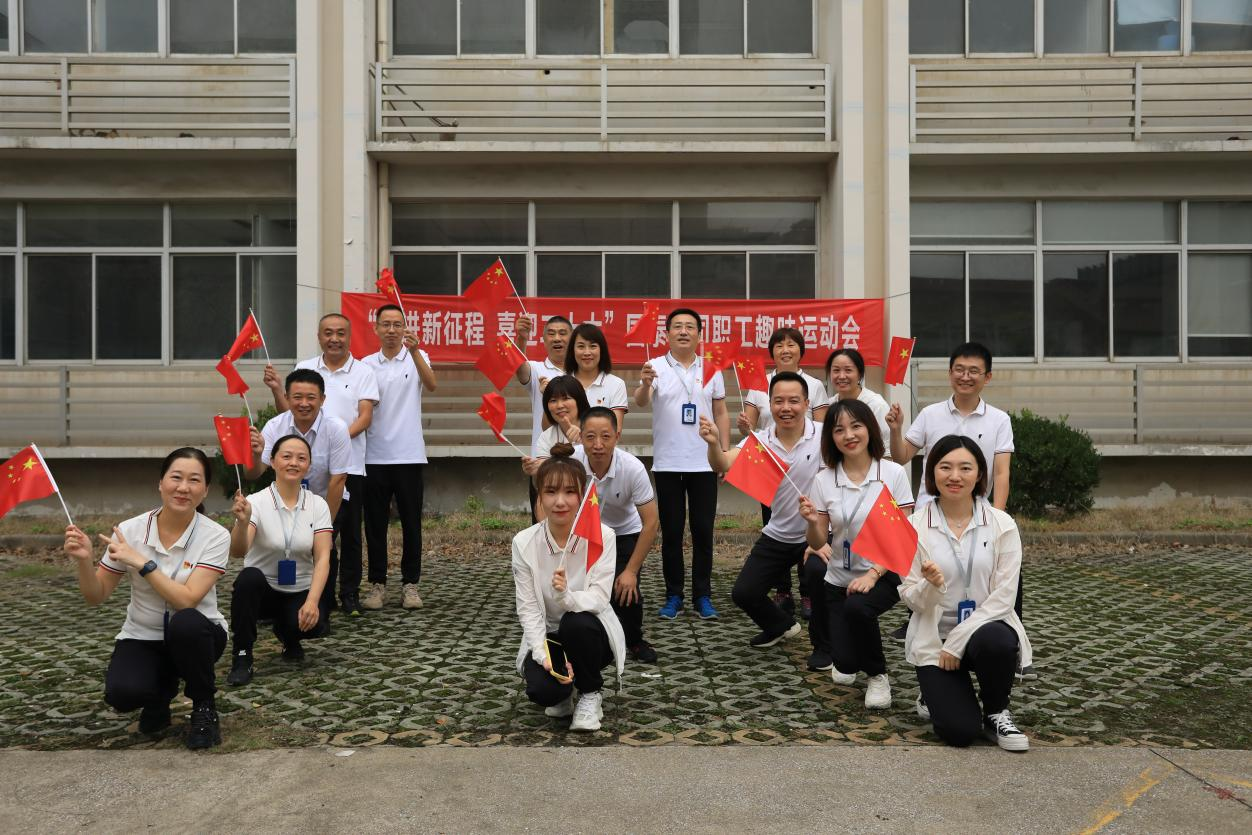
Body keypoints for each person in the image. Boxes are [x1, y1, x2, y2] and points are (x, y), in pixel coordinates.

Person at [63, 448, 230, 749]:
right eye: (176, 477)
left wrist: (143, 564)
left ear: (205, 490)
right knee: (122, 694)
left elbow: (187, 600)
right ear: (160, 483)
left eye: (194, 480)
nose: (183, 487)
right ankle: (159, 696)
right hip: (143, 635)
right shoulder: (130, 531)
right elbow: (96, 595)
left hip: (199, 635)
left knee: (187, 623)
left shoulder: (216, 536)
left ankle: (204, 705)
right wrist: (84, 561)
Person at [886, 342, 1024, 661]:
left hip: (977, 514)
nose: (965, 376)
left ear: (987, 377)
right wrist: (895, 429)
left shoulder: (999, 420)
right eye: (959, 370)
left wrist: (998, 518)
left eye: (974, 371)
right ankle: (926, 641)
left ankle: (1010, 643)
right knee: (928, 575)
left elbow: (1001, 472)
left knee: (1004, 578)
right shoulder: (930, 414)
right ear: (950, 373)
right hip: (931, 514)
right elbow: (901, 456)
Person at [898, 435, 1032, 751]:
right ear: (932, 473)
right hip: (936, 642)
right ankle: (937, 693)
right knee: (959, 732)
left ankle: (996, 711)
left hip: (983, 631)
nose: (955, 476)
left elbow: (1005, 597)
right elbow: (910, 599)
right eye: (945, 467)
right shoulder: (914, 526)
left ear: (980, 474)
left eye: (965, 468)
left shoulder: (1001, 524)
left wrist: (958, 640)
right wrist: (930, 585)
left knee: (998, 640)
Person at [798, 398, 914, 709]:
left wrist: (873, 574)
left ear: (870, 429)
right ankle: (851, 659)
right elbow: (818, 539)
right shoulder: (824, 479)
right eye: (839, 429)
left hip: (885, 572)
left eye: (856, 426)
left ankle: (877, 675)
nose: (848, 435)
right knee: (845, 665)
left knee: (859, 609)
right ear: (831, 437)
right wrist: (812, 522)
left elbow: (902, 535)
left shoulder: (892, 473)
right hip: (839, 578)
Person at [264, 313, 378, 617]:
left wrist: (333, 439)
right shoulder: (305, 367)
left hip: (347, 466)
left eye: (340, 333)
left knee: (349, 534)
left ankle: (349, 593)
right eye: (328, 333)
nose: (334, 339)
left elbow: (365, 417)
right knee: (305, 535)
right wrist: (276, 389)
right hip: (303, 468)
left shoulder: (363, 371)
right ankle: (313, 594)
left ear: (349, 336)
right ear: (319, 336)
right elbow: (289, 411)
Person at [700, 372, 822, 648]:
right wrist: (713, 443)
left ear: (806, 403)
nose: (786, 408)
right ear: (770, 404)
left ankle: (825, 645)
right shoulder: (760, 440)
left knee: (824, 590)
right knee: (744, 593)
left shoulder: (824, 435)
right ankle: (782, 626)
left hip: (817, 535)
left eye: (794, 401)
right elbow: (722, 463)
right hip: (779, 533)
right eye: (778, 401)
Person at [512, 445, 624, 732]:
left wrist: (566, 596)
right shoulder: (524, 543)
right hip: (549, 637)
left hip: (590, 634)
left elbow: (599, 598)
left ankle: (590, 693)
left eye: (570, 492)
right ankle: (564, 692)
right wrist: (544, 657)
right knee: (543, 691)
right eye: (551, 492)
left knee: (575, 623)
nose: (560, 501)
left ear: (583, 496)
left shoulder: (603, 536)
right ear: (539, 496)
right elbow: (528, 609)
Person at [634, 308, 729, 620]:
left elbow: (721, 413)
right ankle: (674, 595)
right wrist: (645, 383)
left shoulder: (712, 368)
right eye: (677, 327)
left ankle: (703, 596)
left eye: (690, 327)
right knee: (672, 533)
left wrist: (724, 453)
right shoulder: (655, 366)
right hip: (668, 464)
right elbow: (641, 401)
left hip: (704, 463)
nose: (684, 331)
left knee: (703, 531)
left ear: (700, 334)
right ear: (667, 334)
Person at [737, 327, 830, 620]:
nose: (785, 350)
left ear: (801, 350)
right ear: (772, 352)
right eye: (779, 345)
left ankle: (808, 593)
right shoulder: (758, 384)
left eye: (791, 345)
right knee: (776, 524)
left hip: (807, 465)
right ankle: (782, 591)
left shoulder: (814, 385)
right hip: (770, 465)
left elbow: (823, 429)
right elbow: (751, 429)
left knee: (809, 528)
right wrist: (742, 431)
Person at [226, 434, 333, 686]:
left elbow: (323, 557)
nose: (293, 463)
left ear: (308, 465)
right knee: (248, 578)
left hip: (299, 589)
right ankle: (242, 655)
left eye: (301, 458)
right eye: (286, 456)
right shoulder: (256, 502)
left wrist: (313, 602)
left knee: (317, 625)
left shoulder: (318, 504)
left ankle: (288, 636)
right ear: (273, 461)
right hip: (263, 591)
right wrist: (242, 523)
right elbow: (238, 551)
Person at [362, 303, 437, 611]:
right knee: (375, 525)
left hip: (409, 454)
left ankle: (410, 585)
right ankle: (377, 584)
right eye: (386, 324)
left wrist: (415, 351)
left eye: (397, 324)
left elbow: (431, 384)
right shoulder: (366, 365)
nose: (391, 330)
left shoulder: (418, 357)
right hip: (374, 455)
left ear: (405, 328)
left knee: (411, 524)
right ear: (376, 328)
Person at [573, 407, 660, 663]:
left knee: (624, 589)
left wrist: (631, 571)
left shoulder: (632, 468)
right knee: (578, 588)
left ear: (617, 436)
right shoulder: (571, 463)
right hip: (583, 533)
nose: (598, 445)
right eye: (590, 437)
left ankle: (634, 640)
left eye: (605, 436)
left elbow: (651, 523)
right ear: (581, 437)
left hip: (623, 533)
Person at [245, 368, 350, 533]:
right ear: (286, 398)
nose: (304, 404)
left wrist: (324, 528)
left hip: (325, 501)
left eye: (311, 398)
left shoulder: (336, 428)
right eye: (297, 397)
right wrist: (256, 455)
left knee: (323, 546)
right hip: (285, 503)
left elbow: (338, 479)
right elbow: (252, 474)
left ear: (322, 399)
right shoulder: (275, 426)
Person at [514, 315, 573, 520]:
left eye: (563, 333)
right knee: (542, 526)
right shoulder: (537, 369)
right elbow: (520, 370)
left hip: (577, 460)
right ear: (544, 339)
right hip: (542, 460)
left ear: (572, 339)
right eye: (551, 334)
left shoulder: (582, 372)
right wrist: (521, 338)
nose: (557, 338)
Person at [521, 375, 590, 480]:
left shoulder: (594, 429)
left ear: (579, 400)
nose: (559, 406)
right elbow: (546, 478)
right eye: (553, 400)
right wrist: (535, 469)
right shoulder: (546, 437)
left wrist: (583, 442)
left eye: (566, 398)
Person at [564, 322, 629, 430]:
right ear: (572, 350)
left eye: (593, 346)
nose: (587, 352)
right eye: (581, 346)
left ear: (601, 350)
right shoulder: (562, 383)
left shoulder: (616, 384)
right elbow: (549, 427)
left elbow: (615, 430)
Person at [826, 348, 890, 446]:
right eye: (836, 370)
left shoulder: (876, 405)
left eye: (848, 370)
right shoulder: (828, 405)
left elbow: (887, 447)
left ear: (860, 374)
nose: (841, 376)